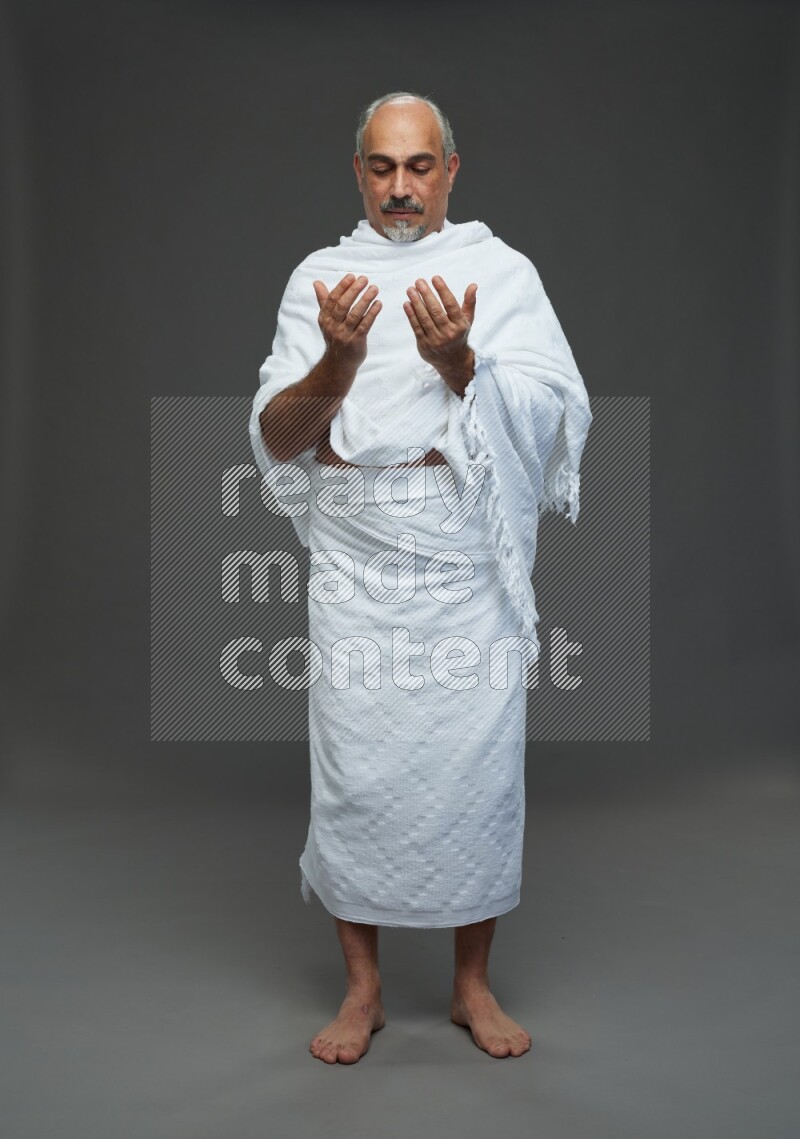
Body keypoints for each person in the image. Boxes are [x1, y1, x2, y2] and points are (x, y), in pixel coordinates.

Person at [248, 91, 592, 1063]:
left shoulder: (499, 272)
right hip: (357, 561)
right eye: (381, 167)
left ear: (450, 169)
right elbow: (277, 436)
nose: (400, 187)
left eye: (418, 165)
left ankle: (469, 986)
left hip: (461, 562)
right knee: (352, 773)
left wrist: (462, 366)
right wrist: (339, 360)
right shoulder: (319, 278)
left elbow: (550, 407)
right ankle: (361, 992)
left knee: (475, 775)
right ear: (356, 172)